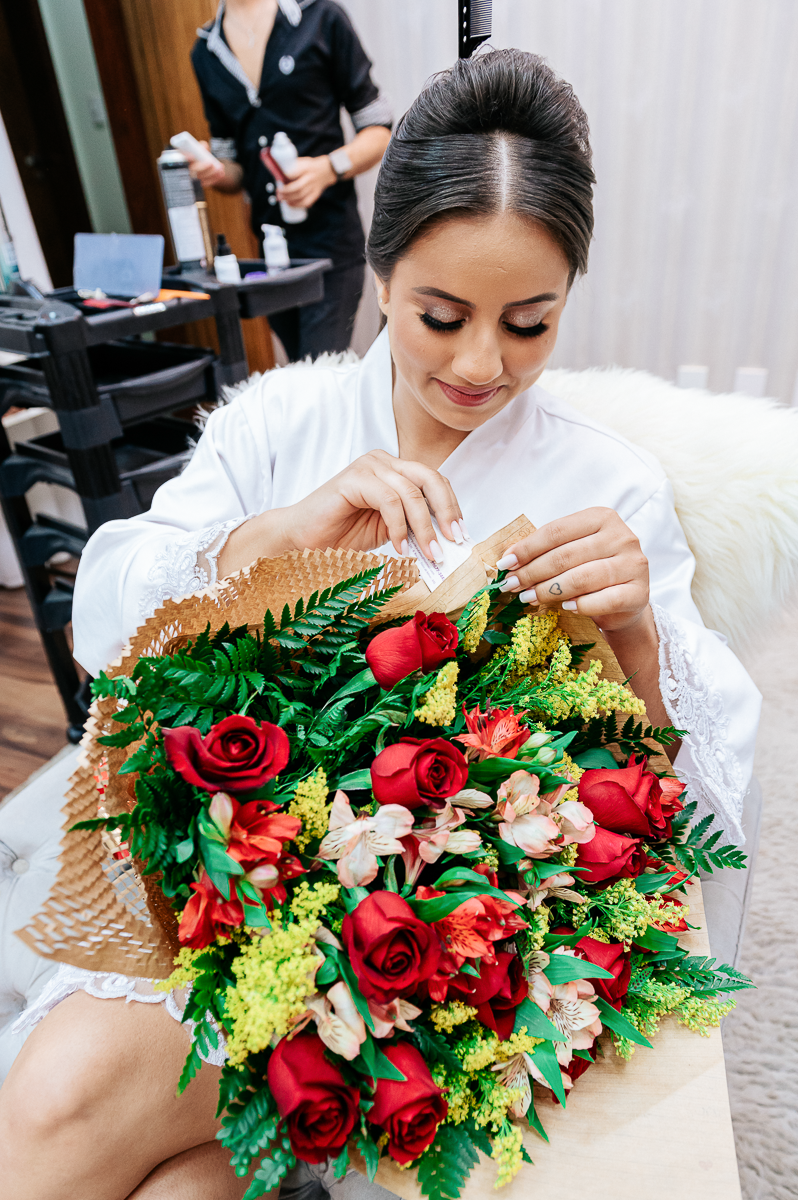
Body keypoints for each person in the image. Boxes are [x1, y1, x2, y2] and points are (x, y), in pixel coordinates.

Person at [0, 49, 760, 1200]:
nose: (480, 363)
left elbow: (674, 807)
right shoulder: (281, 424)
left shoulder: (610, 484)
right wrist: (274, 543)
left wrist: (640, 637)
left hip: (443, 936)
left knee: (80, 1114)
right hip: (233, 891)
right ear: (382, 270)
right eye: (441, 315)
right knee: (157, 1168)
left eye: (531, 323)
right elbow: (113, 616)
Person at [188, 0, 392, 361]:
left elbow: (379, 130)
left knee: (316, 377)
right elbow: (232, 169)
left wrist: (328, 168)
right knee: (300, 377)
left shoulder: (321, 17)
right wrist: (215, 172)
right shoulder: (206, 50)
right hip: (270, 258)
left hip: (332, 245)